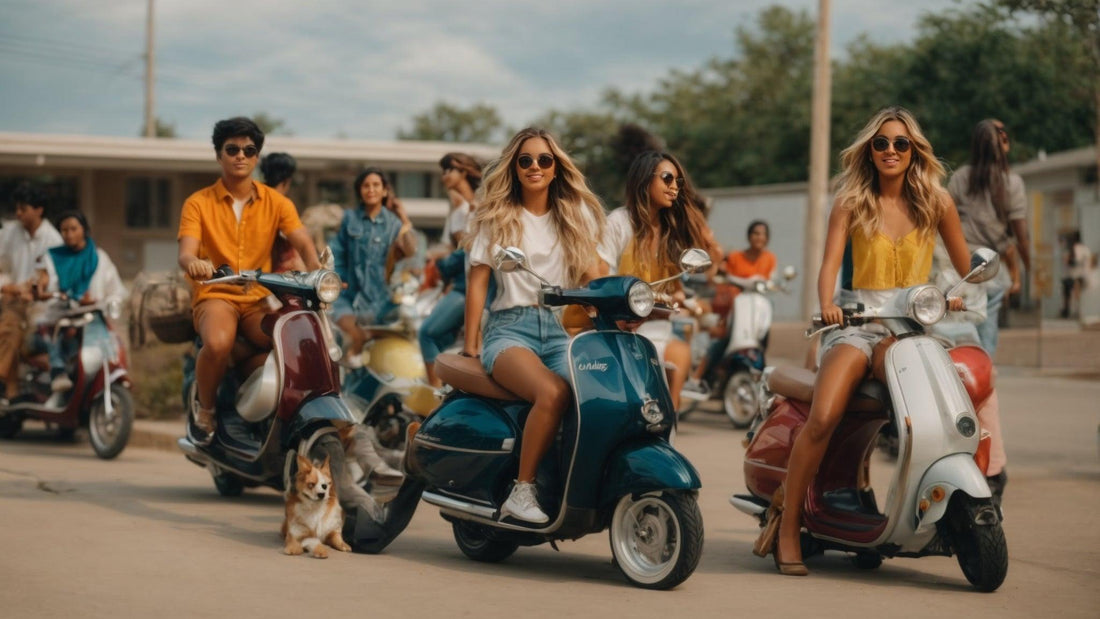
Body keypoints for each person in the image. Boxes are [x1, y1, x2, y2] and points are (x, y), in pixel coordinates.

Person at [759, 107, 972, 576]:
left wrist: (958, 294)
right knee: (826, 414)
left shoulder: (937, 202)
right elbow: (830, 264)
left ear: (914, 150)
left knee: (928, 412)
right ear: (870, 151)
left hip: (910, 330)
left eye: (900, 143)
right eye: (881, 143)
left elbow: (965, 266)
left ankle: (907, 508)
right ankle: (790, 523)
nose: (891, 151)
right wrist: (827, 305)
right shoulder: (851, 201)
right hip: (858, 321)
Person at [463, 127, 605, 523]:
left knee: (595, 396)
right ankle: (521, 491)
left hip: (557, 332)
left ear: (557, 167)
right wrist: (472, 344)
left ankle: (574, 482)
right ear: (515, 167)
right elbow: (477, 285)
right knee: (553, 391)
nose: (535, 167)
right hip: (509, 330)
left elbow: (594, 276)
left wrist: (628, 297)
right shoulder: (498, 218)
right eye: (526, 160)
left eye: (544, 160)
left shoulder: (570, 220)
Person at [178, 116, 322, 445]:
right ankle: (207, 409)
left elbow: (302, 240)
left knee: (292, 341)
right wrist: (196, 263)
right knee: (217, 343)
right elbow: (185, 252)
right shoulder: (198, 203)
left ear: (257, 157)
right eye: (232, 149)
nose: (240, 155)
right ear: (219, 155)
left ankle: (267, 412)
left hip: (257, 298)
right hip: (216, 294)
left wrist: (317, 271)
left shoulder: (277, 202)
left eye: (249, 149)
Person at [597, 150, 716, 411]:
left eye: (678, 182)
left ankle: (668, 438)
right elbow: (599, 277)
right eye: (667, 178)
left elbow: (676, 285)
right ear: (644, 180)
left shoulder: (670, 233)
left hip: (658, 330)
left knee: (680, 358)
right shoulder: (619, 222)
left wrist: (677, 298)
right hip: (620, 331)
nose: (674, 187)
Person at [947, 118, 1030, 355]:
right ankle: (984, 376)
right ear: (1002, 141)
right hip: (990, 268)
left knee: (958, 327)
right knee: (987, 327)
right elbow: (1017, 238)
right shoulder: (1010, 182)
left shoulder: (960, 177)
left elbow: (944, 221)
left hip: (956, 266)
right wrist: (1021, 273)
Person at [36, 211, 127, 392]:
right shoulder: (52, 257)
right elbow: (45, 289)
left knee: (113, 347)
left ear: (84, 230)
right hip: (62, 319)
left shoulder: (99, 258)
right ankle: (58, 374)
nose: (69, 234)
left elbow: (116, 291)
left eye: (73, 229)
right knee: (61, 344)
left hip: (93, 319)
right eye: (64, 230)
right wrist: (68, 298)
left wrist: (100, 302)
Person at [330, 167, 417, 356]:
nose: (371, 189)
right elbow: (338, 252)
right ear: (360, 191)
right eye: (366, 186)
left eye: (376, 185)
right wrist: (337, 279)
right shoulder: (349, 218)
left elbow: (411, 250)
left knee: (380, 354)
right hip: (349, 296)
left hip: (381, 302)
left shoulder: (393, 223)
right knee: (354, 338)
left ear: (385, 191)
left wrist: (403, 216)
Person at [685, 220, 776, 396]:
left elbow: (771, 279)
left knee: (763, 335)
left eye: (763, 234)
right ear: (749, 236)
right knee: (723, 338)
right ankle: (697, 377)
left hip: (755, 308)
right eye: (755, 233)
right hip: (734, 307)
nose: (759, 237)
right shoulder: (735, 257)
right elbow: (722, 274)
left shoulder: (770, 258)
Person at [420, 153, 482, 387]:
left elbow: (466, 248)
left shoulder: (484, 204)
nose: (445, 176)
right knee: (437, 336)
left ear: (464, 172)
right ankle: (440, 390)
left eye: (449, 170)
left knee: (427, 333)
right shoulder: (457, 212)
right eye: (443, 171)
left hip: (480, 284)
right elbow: (454, 249)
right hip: (461, 283)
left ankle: (437, 393)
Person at [0, 182, 63, 401]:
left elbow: (51, 278)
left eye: (23, 208)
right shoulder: (9, 233)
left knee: (28, 341)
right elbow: (2, 267)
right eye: (16, 208)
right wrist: (13, 288)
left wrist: (36, 290)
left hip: (42, 306)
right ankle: (10, 389)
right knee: (10, 330)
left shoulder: (53, 239)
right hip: (13, 300)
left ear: (38, 210)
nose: (18, 214)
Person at [260, 152, 307, 273]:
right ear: (287, 181)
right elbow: (300, 245)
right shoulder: (283, 204)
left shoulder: (254, 199)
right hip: (275, 275)